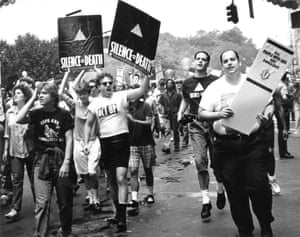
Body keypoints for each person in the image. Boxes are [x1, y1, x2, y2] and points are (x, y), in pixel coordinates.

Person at [199, 50, 274, 237]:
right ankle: (245, 230)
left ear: (239, 62)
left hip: (252, 144)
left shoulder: (251, 82)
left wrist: (268, 114)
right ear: (222, 65)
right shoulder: (214, 88)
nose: (230, 63)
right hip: (226, 148)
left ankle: (265, 224)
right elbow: (202, 113)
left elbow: (269, 103)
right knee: (235, 192)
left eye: (233, 59)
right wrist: (219, 114)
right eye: (225, 61)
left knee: (259, 185)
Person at [84, 72, 150, 232]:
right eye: (104, 83)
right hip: (106, 142)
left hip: (121, 140)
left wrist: (146, 74)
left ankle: (122, 218)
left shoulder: (121, 96)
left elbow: (142, 90)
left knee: (121, 178)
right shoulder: (94, 103)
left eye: (110, 83)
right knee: (111, 180)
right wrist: (87, 142)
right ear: (99, 86)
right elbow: (88, 124)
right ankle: (117, 211)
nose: (108, 85)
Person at [15, 82, 75, 237]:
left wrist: (67, 162)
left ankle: (66, 231)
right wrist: (33, 96)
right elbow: (19, 118)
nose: (41, 96)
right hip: (41, 162)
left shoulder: (63, 114)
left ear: (53, 96)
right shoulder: (36, 113)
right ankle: (41, 234)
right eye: (39, 93)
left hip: (60, 160)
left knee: (65, 202)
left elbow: (69, 139)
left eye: (44, 93)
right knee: (42, 203)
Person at [177, 51, 219, 221]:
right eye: (198, 59)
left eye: (204, 59)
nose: (200, 61)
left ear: (208, 63)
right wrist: (180, 114)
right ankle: (205, 199)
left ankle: (221, 188)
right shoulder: (187, 83)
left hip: (214, 125)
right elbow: (186, 100)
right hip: (196, 126)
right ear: (194, 62)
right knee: (201, 161)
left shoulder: (215, 81)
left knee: (217, 163)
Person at [59, 71, 101, 213]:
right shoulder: (75, 104)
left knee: (92, 171)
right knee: (84, 173)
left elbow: (104, 88)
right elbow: (61, 92)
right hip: (78, 142)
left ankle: (95, 196)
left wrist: (97, 71)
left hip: (92, 140)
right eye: (81, 93)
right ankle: (91, 198)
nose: (83, 96)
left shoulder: (95, 104)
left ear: (89, 93)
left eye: (85, 93)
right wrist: (69, 73)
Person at [3, 83, 35, 221]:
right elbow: (7, 133)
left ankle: (40, 204)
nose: (15, 95)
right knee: (17, 180)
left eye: (18, 93)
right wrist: (5, 150)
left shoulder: (31, 112)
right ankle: (16, 208)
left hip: (29, 149)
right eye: (14, 93)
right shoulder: (9, 112)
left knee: (35, 179)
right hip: (14, 150)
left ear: (25, 96)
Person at [127, 94, 156, 213]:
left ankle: (150, 193)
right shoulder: (126, 108)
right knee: (133, 170)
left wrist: (134, 121)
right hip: (132, 144)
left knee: (148, 169)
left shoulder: (146, 106)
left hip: (146, 142)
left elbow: (149, 122)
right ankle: (134, 198)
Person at [273, 74, 294, 159]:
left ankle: (284, 150)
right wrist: (292, 98)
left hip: (279, 109)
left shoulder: (277, 84)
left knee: (282, 129)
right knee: (284, 129)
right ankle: (283, 151)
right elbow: (284, 99)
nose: (288, 79)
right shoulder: (282, 86)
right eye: (288, 77)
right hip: (283, 110)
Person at [158, 79, 182, 152]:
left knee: (175, 131)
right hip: (167, 115)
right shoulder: (163, 95)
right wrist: (161, 111)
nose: (169, 85)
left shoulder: (178, 95)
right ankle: (167, 146)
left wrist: (180, 113)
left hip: (175, 114)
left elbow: (181, 104)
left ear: (173, 85)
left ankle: (176, 146)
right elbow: (160, 104)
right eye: (168, 83)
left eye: (171, 83)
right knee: (167, 131)